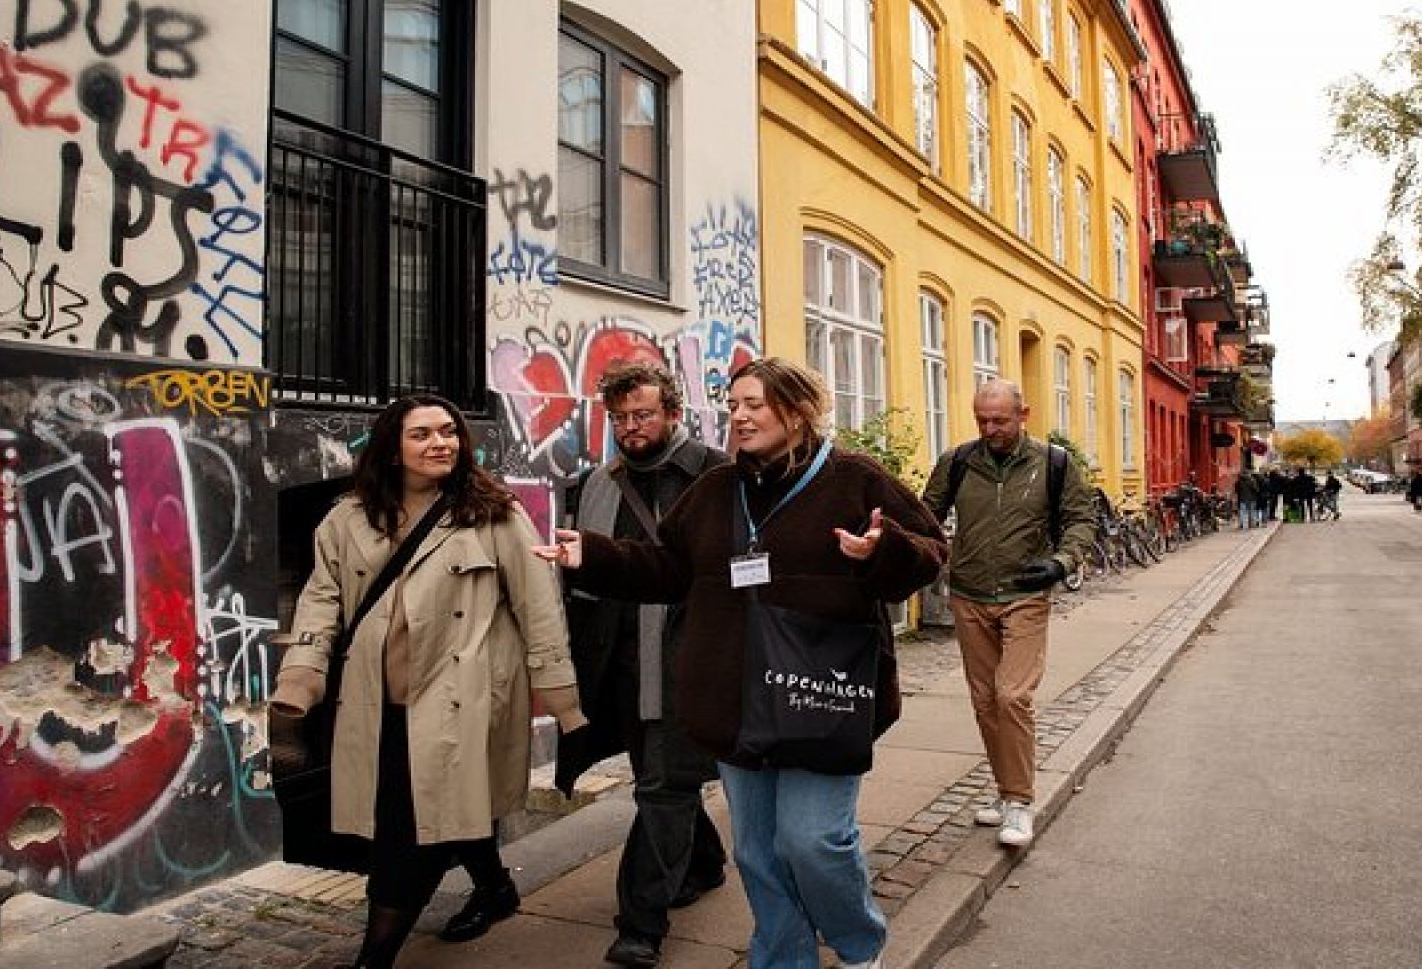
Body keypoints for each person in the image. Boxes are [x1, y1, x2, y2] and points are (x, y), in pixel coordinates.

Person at [537, 358, 946, 969]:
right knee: (756, 852)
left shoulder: (854, 478)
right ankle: (783, 957)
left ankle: (859, 944)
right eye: (733, 405)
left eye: (754, 403)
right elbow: (668, 570)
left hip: (820, 696)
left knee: (814, 842)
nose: (740, 416)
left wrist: (880, 551)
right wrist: (591, 556)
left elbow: (931, 553)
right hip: (735, 697)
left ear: (798, 409)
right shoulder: (718, 489)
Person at [271, 395, 583, 969]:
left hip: (458, 699)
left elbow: (539, 609)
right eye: (423, 435)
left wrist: (564, 704)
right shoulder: (347, 518)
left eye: (449, 432)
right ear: (392, 449)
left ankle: (374, 959)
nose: (441, 443)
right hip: (374, 700)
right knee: (442, 811)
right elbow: (320, 601)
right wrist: (302, 676)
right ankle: (494, 886)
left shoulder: (495, 513)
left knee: (405, 833)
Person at [547, 361, 730, 968]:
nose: (630, 426)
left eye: (643, 414)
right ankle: (702, 862)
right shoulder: (599, 482)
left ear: (672, 413)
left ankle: (641, 925)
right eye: (620, 417)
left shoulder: (714, 474)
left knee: (661, 785)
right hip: (616, 664)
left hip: (685, 658)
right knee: (662, 777)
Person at [922, 380, 1096, 851]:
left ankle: (1019, 800)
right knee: (984, 700)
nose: (990, 429)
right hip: (969, 593)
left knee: (1012, 695)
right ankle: (1004, 791)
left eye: (1000, 420)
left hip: (1026, 593)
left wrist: (1062, 562)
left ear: (1024, 414)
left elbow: (1082, 518)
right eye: (982, 420)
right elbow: (925, 517)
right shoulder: (958, 462)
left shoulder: (1054, 463)